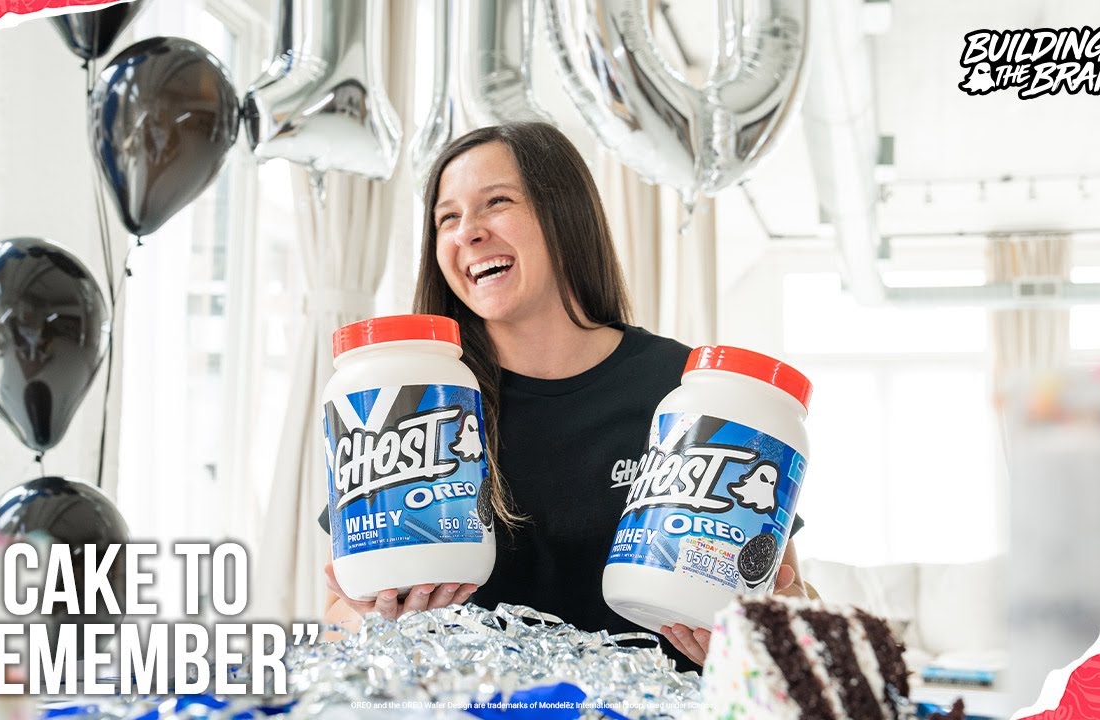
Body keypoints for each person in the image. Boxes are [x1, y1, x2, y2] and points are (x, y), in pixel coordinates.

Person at [323, 122, 810, 669]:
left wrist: (767, 639)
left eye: (497, 202)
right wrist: (373, 618)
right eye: (447, 218)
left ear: (565, 213)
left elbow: (788, 594)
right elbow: (338, 621)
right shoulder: (411, 398)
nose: (468, 233)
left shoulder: (690, 392)